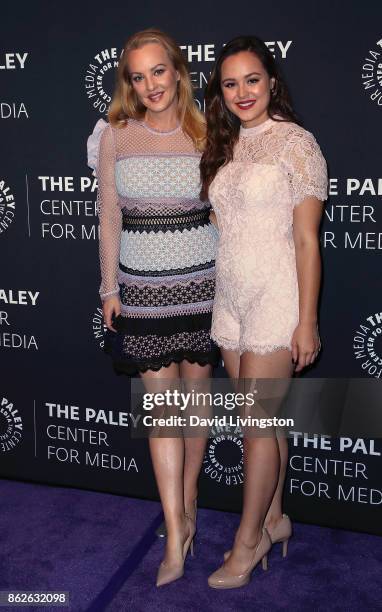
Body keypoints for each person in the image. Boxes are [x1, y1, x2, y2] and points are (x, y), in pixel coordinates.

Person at [88, 29, 219, 587]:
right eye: (138, 77)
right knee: (162, 413)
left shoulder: (209, 130)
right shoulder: (115, 135)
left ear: (178, 70)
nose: (149, 86)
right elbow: (109, 217)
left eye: (158, 72)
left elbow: (222, 211)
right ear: (129, 83)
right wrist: (107, 289)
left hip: (206, 286)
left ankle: (187, 510)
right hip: (142, 291)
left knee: (195, 408)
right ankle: (172, 529)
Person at [200, 35, 328, 589]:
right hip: (228, 296)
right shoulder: (225, 145)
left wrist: (307, 319)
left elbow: (306, 240)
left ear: (272, 81)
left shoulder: (297, 144)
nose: (242, 92)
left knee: (257, 426)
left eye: (252, 79)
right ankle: (275, 519)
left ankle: (247, 543)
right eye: (230, 83)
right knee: (265, 423)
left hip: (277, 294)